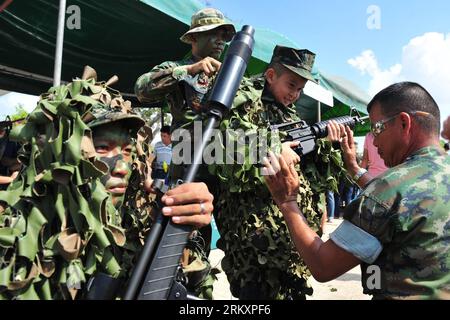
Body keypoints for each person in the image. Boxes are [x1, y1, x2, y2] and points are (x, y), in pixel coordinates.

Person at [0, 67, 214, 300]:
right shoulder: (11, 234)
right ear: (56, 154)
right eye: (102, 148)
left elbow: (189, 283)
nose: (122, 167)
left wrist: (186, 225)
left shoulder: (137, 221)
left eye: (127, 151)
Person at [264, 82, 450, 300]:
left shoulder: (389, 188)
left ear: (403, 123)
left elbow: (323, 265)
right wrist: (354, 168)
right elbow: (402, 199)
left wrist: (287, 202)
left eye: (377, 128)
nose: (374, 140)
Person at [209, 45, 346, 300]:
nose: (295, 94)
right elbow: (221, 149)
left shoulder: (287, 112)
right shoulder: (242, 96)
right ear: (271, 75)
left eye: (300, 89)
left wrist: (326, 145)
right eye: (291, 85)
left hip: (288, 240)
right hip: (253, 241)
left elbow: (306, 169)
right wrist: (274, 148)